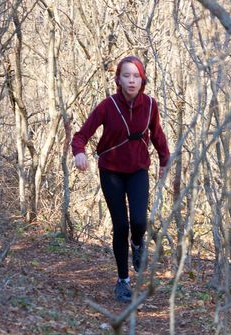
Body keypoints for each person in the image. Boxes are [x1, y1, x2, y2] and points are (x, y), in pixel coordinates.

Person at [71, 56, 170, 303]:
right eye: (126, 75)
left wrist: (166, 162)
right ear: (118, 79)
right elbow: (80, 135)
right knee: (121, 226)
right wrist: (79, 153)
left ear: (142, 79)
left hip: (138, 170)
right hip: (111, 171)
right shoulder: (108, 106)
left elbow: (157, 136)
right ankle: (123, 281)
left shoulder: (150, 105)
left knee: (138, 222)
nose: (131, 80)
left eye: (136, 75)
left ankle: (138, 245)